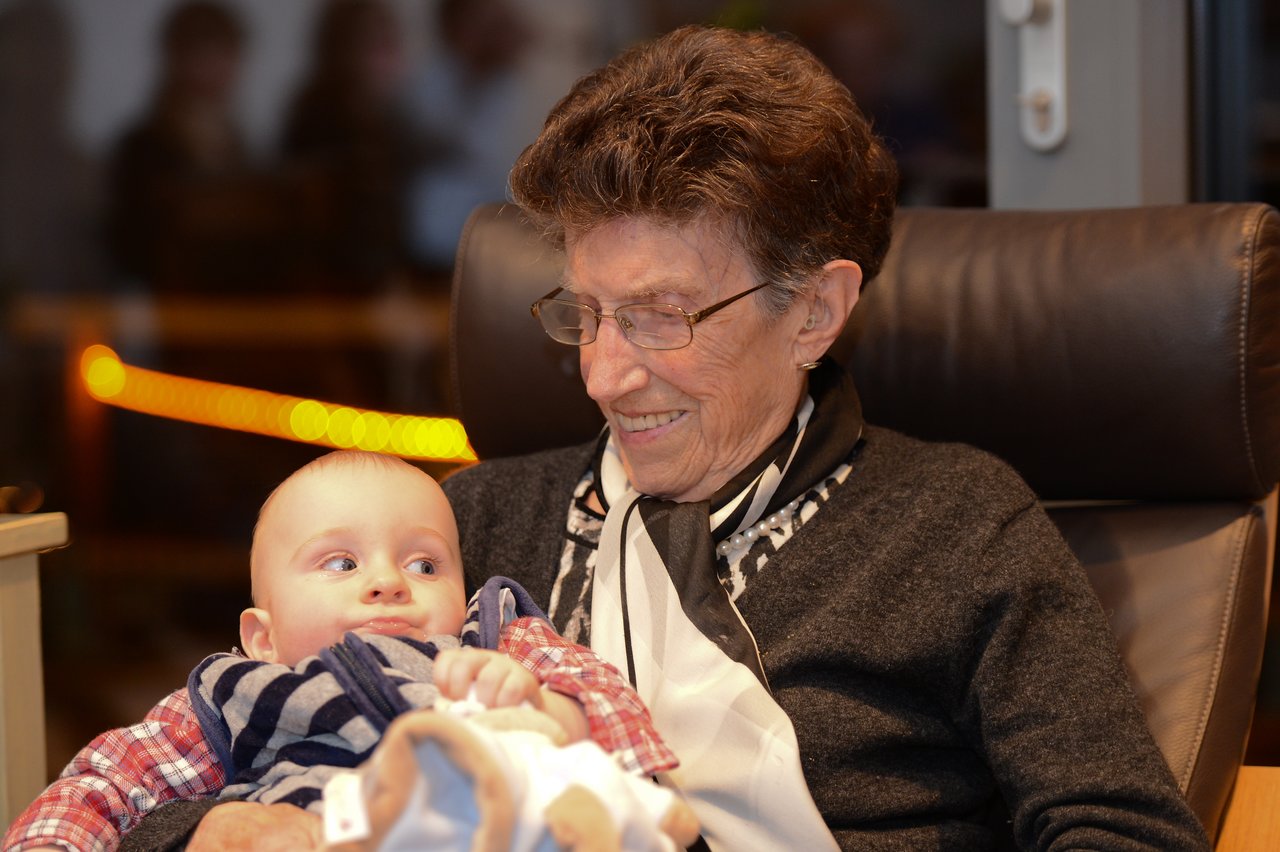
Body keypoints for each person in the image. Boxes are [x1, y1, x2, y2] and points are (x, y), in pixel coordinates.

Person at [431, 24, 1210, 851]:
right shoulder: (460, 531)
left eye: (660, 318)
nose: (603, 376)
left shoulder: (954, 529)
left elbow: (1126, 835)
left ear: (814, 313)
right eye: (585, 315)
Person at [3, 450, 693, 852]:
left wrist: (544, 706)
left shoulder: (494, 640)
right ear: (261, 637)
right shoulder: (237, 695)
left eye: (424, 566)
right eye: (339, 563)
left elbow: (609, 708)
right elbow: (104, 783)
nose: (389, 582)